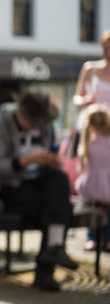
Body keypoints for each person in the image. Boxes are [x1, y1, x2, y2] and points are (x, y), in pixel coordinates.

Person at [0, 90, 78, 291]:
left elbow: (54, 161)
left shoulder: (46, 125)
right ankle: (47, 267)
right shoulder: (0, 124)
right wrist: (26, 161)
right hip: (10, 188)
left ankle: (53, 250)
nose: (37, 127)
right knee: (61, 209)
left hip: (40, 184)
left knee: (59, 180)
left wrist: (52, 163)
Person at [75, 103, 110, 252]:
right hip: (108, 182)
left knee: (92, 212)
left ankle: (92, 238)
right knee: (108, 212)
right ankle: (108, 240)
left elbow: (83, 161)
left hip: (93, 183)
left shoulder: (88, 143)